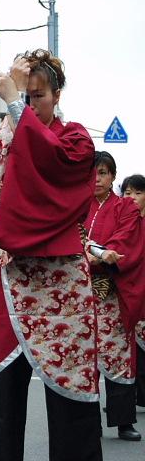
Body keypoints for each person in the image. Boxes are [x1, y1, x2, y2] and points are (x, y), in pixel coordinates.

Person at [0, 49, 100, 461]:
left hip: (62, 276)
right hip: (11, 273)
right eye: (25, 96)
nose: (31, 103)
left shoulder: (77, 139)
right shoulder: (2, 137)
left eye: (39, 95)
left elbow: (46, 159)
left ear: (58, 94)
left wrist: (14, 103)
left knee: (70, 386)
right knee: (4, 390)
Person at [85, 156, 145, 441]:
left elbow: (126, 240)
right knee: (82, 356)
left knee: (118, 354)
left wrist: (97, 254)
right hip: (78, 293)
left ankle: (123, 421)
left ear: (113, 177)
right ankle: (85, 422)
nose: (96, 179)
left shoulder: (125, 208)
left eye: (103, 173)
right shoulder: (73, 207)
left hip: (111, 292)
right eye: (92, 174)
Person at [121, 175, 145, 412]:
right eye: (128, 193)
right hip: (129, 287)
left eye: (138, 193)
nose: (133, 198)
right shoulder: (123, 222)